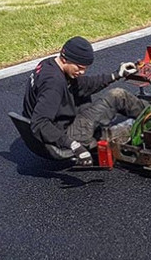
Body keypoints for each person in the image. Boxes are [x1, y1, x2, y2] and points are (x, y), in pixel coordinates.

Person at [22, 36, 144, 165]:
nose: (82, 72)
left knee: (96, 94)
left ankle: (148, 113)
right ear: (65, 59)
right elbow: (40, 123)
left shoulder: (50, 64)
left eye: (85, 68)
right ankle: (150, 121)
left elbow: (83, 85)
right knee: (118, 97)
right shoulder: (54, 83)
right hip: (65, 135)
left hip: (60, 125)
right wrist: (73, 145)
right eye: (79, 67)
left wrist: (116, 74)